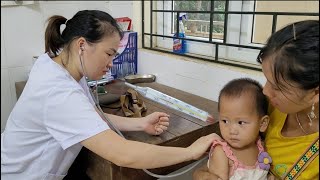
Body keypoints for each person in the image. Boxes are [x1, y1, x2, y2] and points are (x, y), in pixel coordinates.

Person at [1, 10, 218, 179]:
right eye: (109, 53)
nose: (111, 64)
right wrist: (190, 151)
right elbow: (122, 154)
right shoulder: (58, 91)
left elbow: (92, 116)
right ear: (82, 45)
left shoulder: (61, 64)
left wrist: (141, 124)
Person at [193, 20, 319, 180]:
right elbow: (219, 165)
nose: (265, 90)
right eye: (266, 79)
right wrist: (202, 174)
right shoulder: (271, 106)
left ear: (316, 92)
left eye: (277, 86)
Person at [207, 78, 271, 180]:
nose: (232, 131)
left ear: (262, 124)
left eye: (241, 122)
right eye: (225, 121)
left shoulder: (261, 146)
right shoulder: (222, 153)